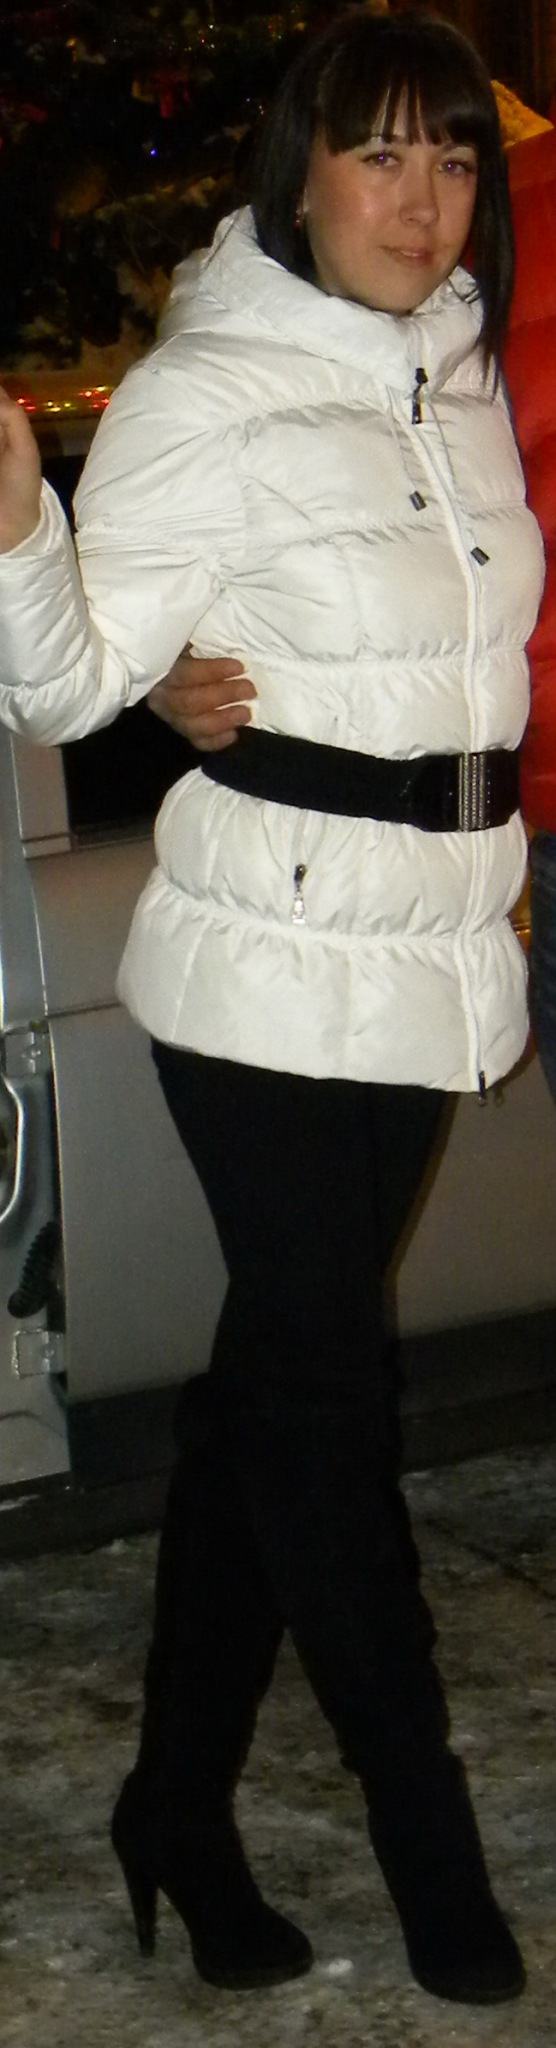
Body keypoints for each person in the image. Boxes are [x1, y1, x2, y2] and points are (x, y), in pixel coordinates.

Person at [0, 8, 544, 2008]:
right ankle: (426, 1843)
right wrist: (18, 526)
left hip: (432, 945)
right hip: (267, 963)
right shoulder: (206, 386)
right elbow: (67, 679)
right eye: (378, 154)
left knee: (266, 1398)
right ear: (296, 171)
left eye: (451, 157)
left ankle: (175, 1807)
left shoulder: (455, 371)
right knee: (330, 1407)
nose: (421, 200)